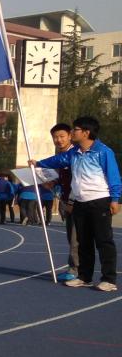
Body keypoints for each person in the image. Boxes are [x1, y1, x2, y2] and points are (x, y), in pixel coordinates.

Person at [33, 116, 120, 292]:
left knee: (103, 241)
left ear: (86, 132)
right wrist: (38, 163)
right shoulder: (74, 153)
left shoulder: (103, 152)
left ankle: (108, 279)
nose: (72, 132)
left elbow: (114, 176)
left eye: (75, 129)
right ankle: (84, 277)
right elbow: (57, 160)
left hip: (99, 201)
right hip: (80, 202)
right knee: (83, 242)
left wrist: (115, 199)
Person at [48, 123, 79, 281]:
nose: (58, 140)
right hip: (67, 201)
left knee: (75, 238)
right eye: (55, 137)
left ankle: (76, 270)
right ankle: (75, 268)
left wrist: (71, 203)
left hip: (77, 203)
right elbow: (63, 180)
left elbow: (78, 181)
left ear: (70, 136)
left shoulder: (75, 155)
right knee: (71, 237)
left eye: (62, 136)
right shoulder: (62, 157)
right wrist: (53, 183)